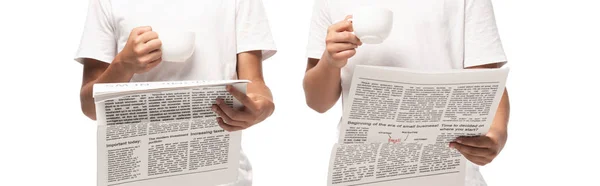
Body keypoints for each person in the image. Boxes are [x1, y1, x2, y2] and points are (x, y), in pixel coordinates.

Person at [303, 0, 510, 185]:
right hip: (362, 172)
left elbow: (486, 81)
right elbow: (317, 102)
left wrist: (496, 136)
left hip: (450, 171)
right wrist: (330, 62)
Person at [74, 0, 276, 185]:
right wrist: (123, 65)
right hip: (134, 175)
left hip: (220, 175)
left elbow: (255, 83)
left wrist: (262, 107)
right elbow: (90, 107)